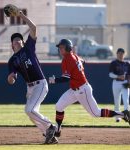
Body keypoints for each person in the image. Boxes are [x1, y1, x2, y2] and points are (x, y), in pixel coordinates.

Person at [49, 39, 130, 138]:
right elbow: (83, 61)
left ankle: (123, 114)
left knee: (96, 113)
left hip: (83, 90)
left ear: (68, 47)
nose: (60, 49)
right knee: (59, 106)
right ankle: (57, 130)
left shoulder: (68, 58)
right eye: (59, 48)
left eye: (62, 47)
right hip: (75, 89)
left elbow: (66, 78)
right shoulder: (74, 56)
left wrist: (54, 80)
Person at [7, 10, 57, 144]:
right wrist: (11, 78)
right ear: (12, 45)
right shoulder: (12, 60)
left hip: (40, 84)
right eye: (14, 39)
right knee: (30, 114)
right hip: (29, 88)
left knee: (30, 110)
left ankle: (51, 127)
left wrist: (22, 16)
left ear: (23, 42)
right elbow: (11, 78)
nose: (17, 40)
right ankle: (49, 135)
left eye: (19, 38)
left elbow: (34, 28)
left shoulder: (28, 48)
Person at [109, 48, 130, 122]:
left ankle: (127, 116)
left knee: (126, 100)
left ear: (124, 54)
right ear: (117, 54)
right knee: (117, 101)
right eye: (119, 53)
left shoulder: (127, 63)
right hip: (116, 83)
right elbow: (110, 74)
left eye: (122, 53)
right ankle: (118, 117)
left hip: (125, 83)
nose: (121, 55)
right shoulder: (113, 63)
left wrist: (129, 81)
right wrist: (118, 76)